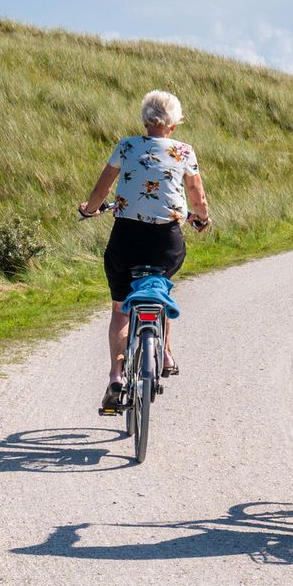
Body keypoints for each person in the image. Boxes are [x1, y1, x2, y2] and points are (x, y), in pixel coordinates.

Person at [77, 90, 211, 414]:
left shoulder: (126, 146)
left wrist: (89, 209)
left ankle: (115, 376)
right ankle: (164, 353)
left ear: (145, 120)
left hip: (126, 240)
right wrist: (202, 219)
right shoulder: (183, 151)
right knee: (159, 287)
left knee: (121, 310)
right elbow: (197, 196)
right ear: (174, 124)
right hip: (166, 243)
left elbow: (102, 189)